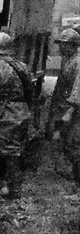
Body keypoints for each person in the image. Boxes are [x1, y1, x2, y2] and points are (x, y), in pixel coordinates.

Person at [0, 32, 33, 199]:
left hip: (5, 112)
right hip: (21, 110)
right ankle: (11, 184)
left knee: (8, 153)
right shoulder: (21, 65)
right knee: (15, 151)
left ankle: (13, 188)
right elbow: (29, 90)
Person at [48, 28, 80, 186]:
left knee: (73, 144)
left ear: (73, 45)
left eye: (64, 44)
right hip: (64, 108)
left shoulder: (78, 62)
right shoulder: (67, 60)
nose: (61, 47)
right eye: (60, 44)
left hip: (74, 110)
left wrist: (70, 111)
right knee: (67, 143)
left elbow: (78, 90)